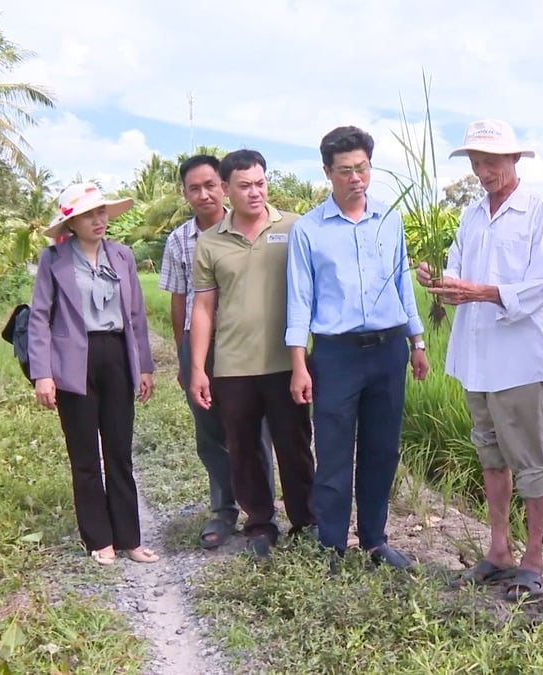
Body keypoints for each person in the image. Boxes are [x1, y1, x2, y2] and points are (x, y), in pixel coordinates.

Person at [415, 119, 543, 600]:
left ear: (515, 159)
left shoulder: (540, 213)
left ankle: (533, 558)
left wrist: (479, 291)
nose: (483, 172)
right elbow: (458, 271)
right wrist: (438, 279)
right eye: (477, 163)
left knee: (530, 461)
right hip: (476, 356)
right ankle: (498, 550)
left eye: (491, 162)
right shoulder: (472, 215)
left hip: (519, 358)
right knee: (490, 454)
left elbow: (540, 285)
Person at [286, 125, 429, 573]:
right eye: (345, 170)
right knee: (333, 452)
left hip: (388, 350)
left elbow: (403, 283)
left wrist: (417, 341)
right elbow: (299, 299)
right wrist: (299, 364)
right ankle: (331, 545)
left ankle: (374, 540)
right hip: (336, 354)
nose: (356, 178)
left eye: (363, 168)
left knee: (381, 449)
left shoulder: (390, 220)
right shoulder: (309, 229)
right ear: (327, 172)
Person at [187, 149, 317, 560]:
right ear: (227, 189)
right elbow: (203, 307)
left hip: (287, 362)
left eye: (260, 183)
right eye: (244, 186)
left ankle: (306, 520)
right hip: (233, 365)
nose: (255, 192)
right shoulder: (210, 242)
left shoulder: (294, 228)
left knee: (295, 445)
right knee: (243, 450)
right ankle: (260, 523)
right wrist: (197, 368)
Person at [27, 182, 158, 566]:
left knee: (119, 452)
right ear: (71, 223)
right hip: (73, 360)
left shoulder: (122, 255)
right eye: (88, 215)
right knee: (84, 455)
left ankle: (130, 539)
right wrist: (42, 374)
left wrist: (144, 365)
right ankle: (99, 539)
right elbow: (39, 318)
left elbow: (136, 315)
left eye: (101, 212)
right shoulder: (54, 259)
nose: (98, 220)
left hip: (116, 355)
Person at [158, 154, 276, 550]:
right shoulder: (179, 240)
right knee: (210, 432)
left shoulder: (252, 227)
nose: (204, 194)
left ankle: (262, 514)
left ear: (224, 186)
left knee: (254, 430)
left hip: (244, 341)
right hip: (201, 344)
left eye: (210, 185)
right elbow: (180, 301)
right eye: (194, 188)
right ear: (184, 194)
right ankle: (224, 509)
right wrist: (186, 357)